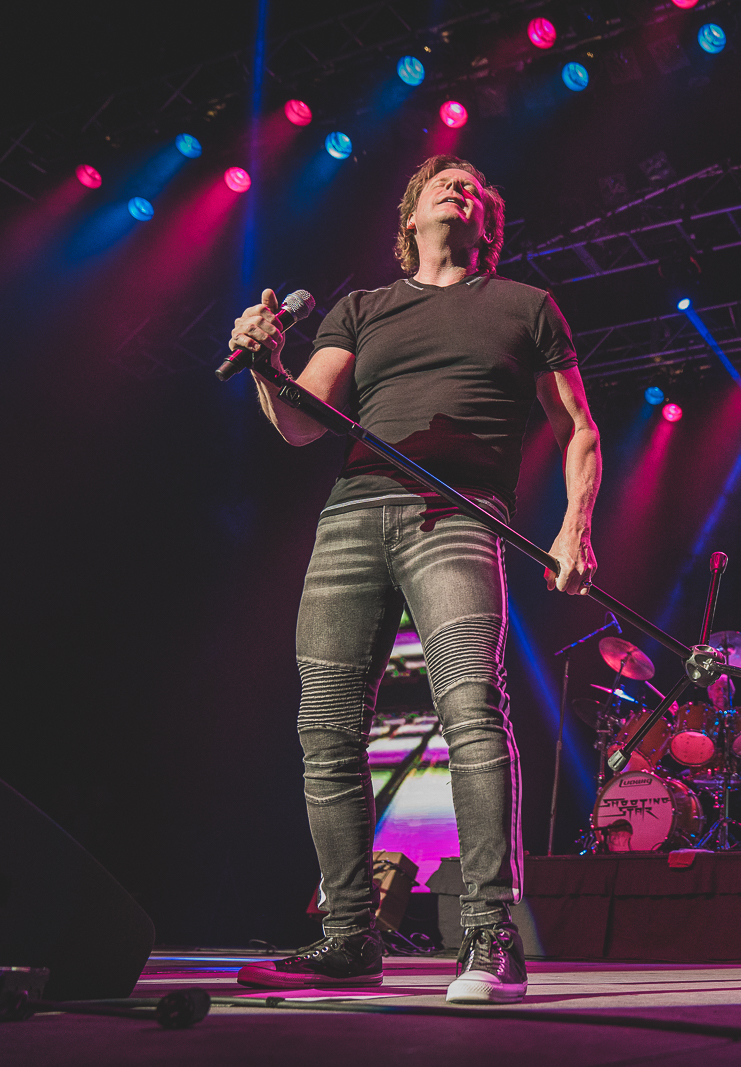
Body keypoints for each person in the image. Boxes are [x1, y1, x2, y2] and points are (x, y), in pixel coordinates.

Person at [228, 155, 600, 1003]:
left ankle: (488, 934)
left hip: (462, 513)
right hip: (352, 517)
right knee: (325, 726)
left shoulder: (524, 306)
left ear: (488, 223)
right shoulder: (362, 309)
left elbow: (578, 427)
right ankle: (349, 933)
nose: (459, 186)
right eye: (443, 181)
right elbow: (298, 424)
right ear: (411, 217)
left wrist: (574, 524)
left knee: (470, 705)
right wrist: (263, 363)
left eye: (475, 185)